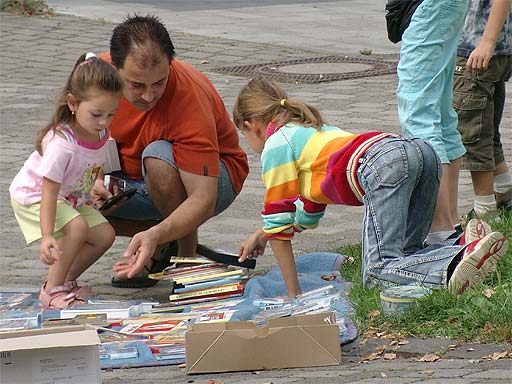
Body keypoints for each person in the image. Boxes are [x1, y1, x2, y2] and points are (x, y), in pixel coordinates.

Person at [233, 78, 508, 297]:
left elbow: (279, 222)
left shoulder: (277, 144)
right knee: (406, 253)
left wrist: (294, 295)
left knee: (377, 273)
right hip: (419, 153)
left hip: (384, 164)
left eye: (245, 138)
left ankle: (456, 261)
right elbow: (305, 215)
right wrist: (264, 234)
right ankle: (464, 245)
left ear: (251, 126)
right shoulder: (308, 129)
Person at [91, 15, 249, 287]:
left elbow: (202, 199)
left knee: (158, 157)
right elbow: (71, 144)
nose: (149, 96)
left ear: (171, 64)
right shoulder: (94, 77)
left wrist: (158, 234)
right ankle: (163, 242)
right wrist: (92, 182)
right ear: (114, 69)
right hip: (130, 179)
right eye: (137, 85)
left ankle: (185, 262)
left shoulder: (189, 97)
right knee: (61, 196)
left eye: (159, 83)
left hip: (212, 179)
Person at [9, 53, 123, 309]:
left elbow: (93, 164)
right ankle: (51, 292)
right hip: (34, 195)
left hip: (68, 196)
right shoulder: (62, 144)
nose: (104, 122)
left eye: (111, 114)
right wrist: (48, 236)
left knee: (105, 235)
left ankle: (64, 281)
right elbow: (48, 191)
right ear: (73, 103)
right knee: (77, 227)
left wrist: (95, 184)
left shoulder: (100, 133)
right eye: (96, 114)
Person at [396, 0, 469, 244]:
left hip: (432, 6)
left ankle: (440, 231)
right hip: (444, 6)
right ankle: (450, 225)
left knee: (419, 113)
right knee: (438, 111)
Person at [453, 0, 512, 217]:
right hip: (494, 48)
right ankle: (504, 192)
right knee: (487, 129)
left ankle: (485, 211)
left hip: (475, 49)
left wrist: (487, 41)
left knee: (473, 135)